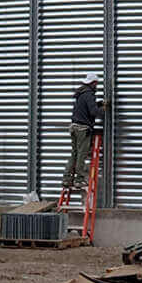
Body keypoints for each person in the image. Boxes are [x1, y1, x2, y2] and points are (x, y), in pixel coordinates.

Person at [61, 72, 103, 200]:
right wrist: (103, 109)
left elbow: (85, 108)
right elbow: (93, 112)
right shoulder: (89, 94)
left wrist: (98, 104)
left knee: (74, 153)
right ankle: (79, 179)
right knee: (81, 154)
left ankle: (67, 179)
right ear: (93, 83)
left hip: (74, 127)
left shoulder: (80, 93)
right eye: (96, 83)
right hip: (83, 129)